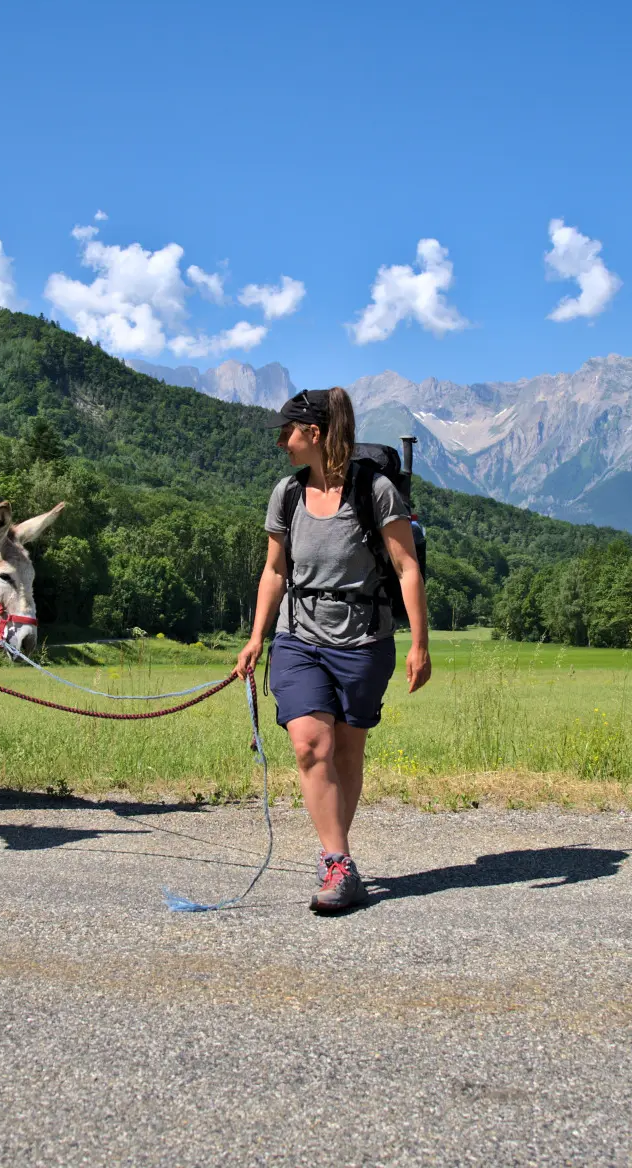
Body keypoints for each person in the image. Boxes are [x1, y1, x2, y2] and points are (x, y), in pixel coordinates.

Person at [235, 387, 431, 913]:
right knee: (309, 745)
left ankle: (337, 858)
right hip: (298, 635)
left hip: (364, 638)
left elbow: (408, 568)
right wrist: (256, 637)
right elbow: (274, 570)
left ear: (314, 434)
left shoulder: (377, 491)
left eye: (287, 432)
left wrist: (420, 644)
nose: (282, 442)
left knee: (347, 750)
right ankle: (338, 861)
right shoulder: (287, 494)